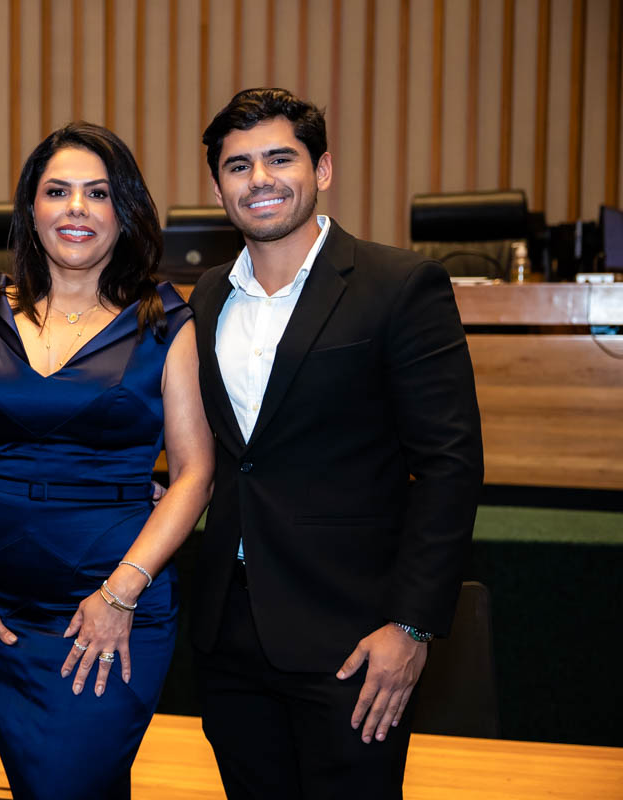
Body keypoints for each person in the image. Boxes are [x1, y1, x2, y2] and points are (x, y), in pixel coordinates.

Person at [189, 87, 484, 799]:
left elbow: (450, 466)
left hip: (352, 637)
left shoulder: (399, 285)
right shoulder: (203, 299)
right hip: (228, 629)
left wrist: (411, 625)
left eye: (279, 159)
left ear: (322, 170)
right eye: (238, 166)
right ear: (218, 185)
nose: (258, 180)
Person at [0, 122, 215, 799]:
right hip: (0, 611)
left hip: (113, 604)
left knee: (67, 782)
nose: (76, 209)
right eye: (58, 191)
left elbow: (196, 473)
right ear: (32, 208)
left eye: (97, 193)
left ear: (125, 212)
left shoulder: (166, 323)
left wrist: (120, 593)